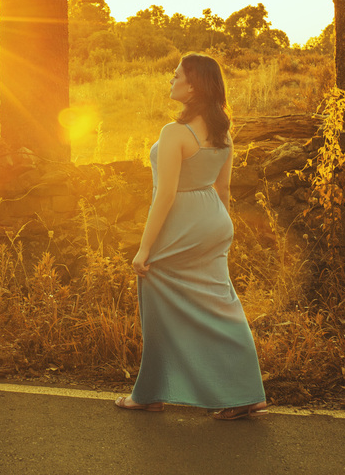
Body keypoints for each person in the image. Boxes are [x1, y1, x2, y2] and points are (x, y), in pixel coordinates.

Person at [115, 52, 268, 420]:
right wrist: (222, 232)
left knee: (157, 303)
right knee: (222, 305)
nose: (171, 80)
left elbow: (165, 195)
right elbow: (224, 188)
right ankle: (248, 393)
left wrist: (144, 248)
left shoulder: (175, 133)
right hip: (214, 221)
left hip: (181, 223)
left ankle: (149, 395)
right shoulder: (222, 132)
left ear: (194, 84)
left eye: (176, 74)